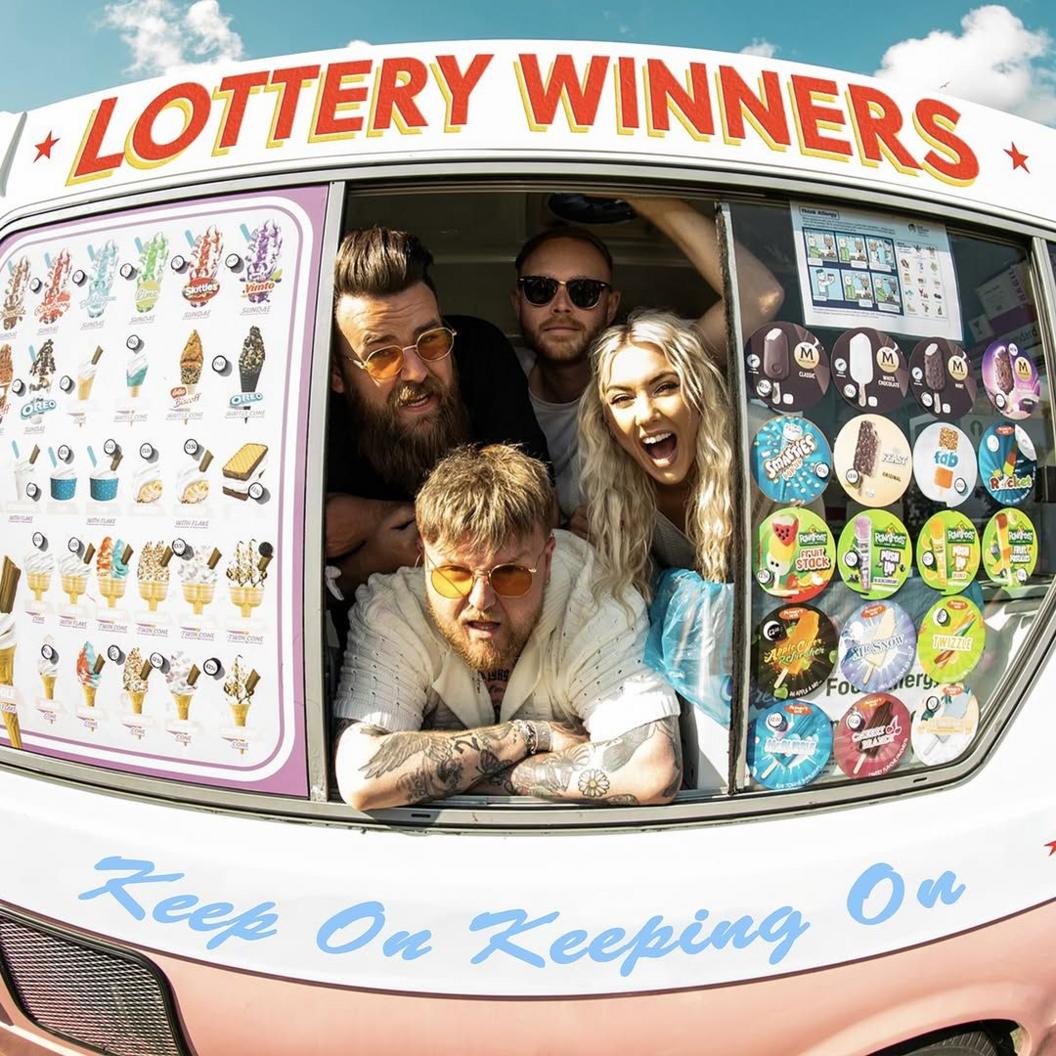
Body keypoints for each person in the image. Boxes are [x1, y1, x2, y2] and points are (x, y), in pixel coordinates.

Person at [332, 444, 683, 810]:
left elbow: (653, 770)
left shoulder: (595, 599)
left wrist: (440, 776)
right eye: (455, 574)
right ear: (423, 557)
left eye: (511, 575)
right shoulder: (393, 611)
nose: (480, 601)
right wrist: (528, 736)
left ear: (546, 560)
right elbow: (362, 775)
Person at [512, 196, 783, 519]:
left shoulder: (650, 368)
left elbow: (759, 297)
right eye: (540, 289)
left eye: (584, 291)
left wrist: (643, 197)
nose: (561, 306)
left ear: (611, 305)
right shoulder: (494, 380)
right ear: (517, 303)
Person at [326, 227, 550, 596]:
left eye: (430, 340)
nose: (416, 371)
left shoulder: (479, 351)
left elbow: (539, 509)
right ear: (338, 374)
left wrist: (377, 518)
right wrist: (365, 566)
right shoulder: (311, 419)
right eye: (382, 356)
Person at [577, 310, 735, 598]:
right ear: (607, 423)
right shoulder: (610, 497)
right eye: (622, 399)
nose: (647, 415)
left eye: (665, 387)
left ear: (700, 395)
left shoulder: (760, 469)